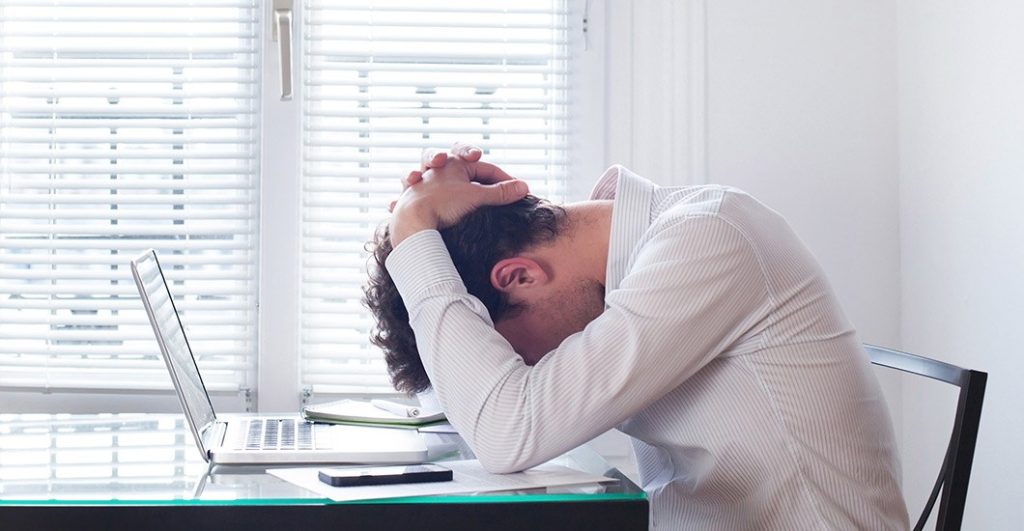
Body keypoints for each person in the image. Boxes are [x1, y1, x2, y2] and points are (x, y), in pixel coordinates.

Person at [364, 144, 909, 530]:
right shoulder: (643, 249)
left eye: (515, 355)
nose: (528, 370)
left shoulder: (708, 238)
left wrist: (415, 233)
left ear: (520, 277)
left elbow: (509, 429)